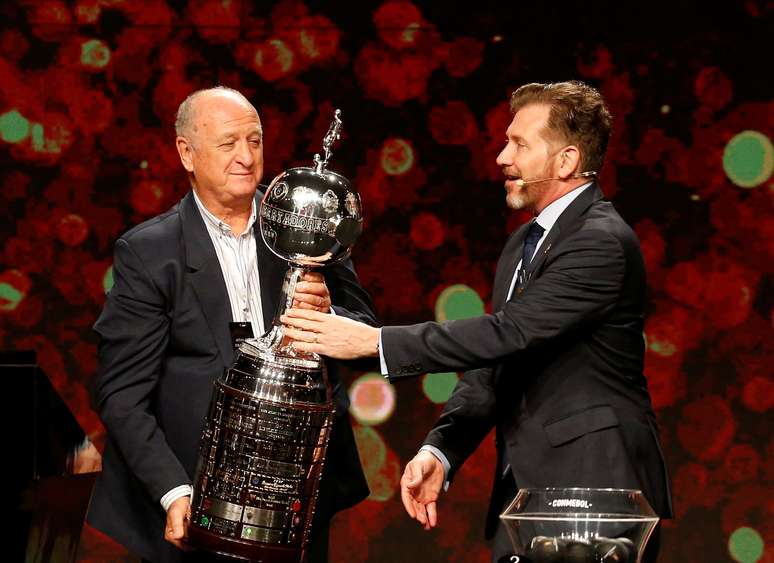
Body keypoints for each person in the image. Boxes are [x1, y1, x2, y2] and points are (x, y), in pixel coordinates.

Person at [280, 81, 673, 562]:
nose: (502, 158)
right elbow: (496, 360)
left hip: (594, 487)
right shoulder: (524, 243)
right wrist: (441, 451)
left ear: (567, 161)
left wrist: (374, 342)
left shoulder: (599, 241)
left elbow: (509, 332)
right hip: (527, 496)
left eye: (519, 145)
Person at [87, 86, 377, 563]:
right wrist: (174, 491)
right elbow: (121, 395)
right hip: (193, 500)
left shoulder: (307, 227)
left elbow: (368, 340)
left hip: (295, 501)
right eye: (228, 144)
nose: (246, 157)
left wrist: (328, 316)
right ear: (186, 153)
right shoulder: (149, 253)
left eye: (255, 141)